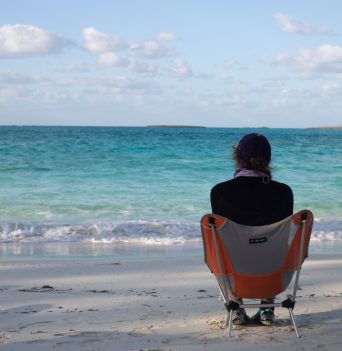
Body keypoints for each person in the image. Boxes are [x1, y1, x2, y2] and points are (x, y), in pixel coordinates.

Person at [210, 133, 293, 326]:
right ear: (268, 160)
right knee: (270, 247)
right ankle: (267, 308)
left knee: (226, 247)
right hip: (273, 274)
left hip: (234, 275)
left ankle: (236, 307)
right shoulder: (284, 193)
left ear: (237, 158)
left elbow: (221, 239)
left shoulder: (220, 192)